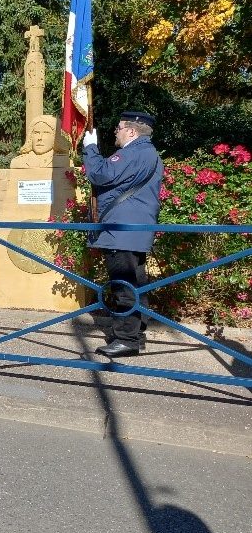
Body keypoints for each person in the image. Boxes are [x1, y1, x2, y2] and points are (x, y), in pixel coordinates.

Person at [83, 111, 164, 359]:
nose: (115, 132)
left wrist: (90, 147)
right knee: (136, 285)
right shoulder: (147, 153)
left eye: (118, 128)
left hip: (122, 231)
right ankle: (135, 335)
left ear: (131, 131)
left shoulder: (134, 152)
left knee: (124, 287)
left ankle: (126, 339)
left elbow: (100, 174)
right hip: (132, 232)